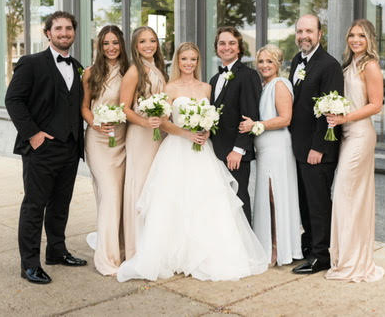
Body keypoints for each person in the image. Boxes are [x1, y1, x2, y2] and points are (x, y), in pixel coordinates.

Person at [117, 43, 268, 282]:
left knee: (205, 200)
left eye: (194, 59)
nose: (189, 63)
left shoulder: (207, 87)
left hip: (202, 151)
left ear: (198, 62)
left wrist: (206, 131)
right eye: (185, 59)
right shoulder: (170, 87)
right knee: (175, 200)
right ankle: (173, 253)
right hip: (177, 148)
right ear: (177, 61)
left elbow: (213, 118)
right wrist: (186, 134)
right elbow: (164, 122)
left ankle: (205, 253)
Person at [5, 11, 87, 285]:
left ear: (74, 33)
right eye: (59, 29)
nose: (64, 33)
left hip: (70, 149)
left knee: (60, 205)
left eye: (69, 29)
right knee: (34, 206)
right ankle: (29, 264)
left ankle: (56, 251)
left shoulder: (78, 66)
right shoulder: (31, 63)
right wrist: (33, 134)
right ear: (48, 33)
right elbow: (13, 100)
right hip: (41, 149)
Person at [325, 19, 385, 282]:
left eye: (361, 35)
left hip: (360, 135)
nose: (355, 40)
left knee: (345, 194)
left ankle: (353, 262)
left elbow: (376, 105)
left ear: (369, 38)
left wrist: (344, 118)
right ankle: (347, 256)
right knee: (349, 197)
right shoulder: (349, 65)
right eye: (351, 35)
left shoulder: (369, 65)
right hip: (347, 135)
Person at [288, 14, 344, 275]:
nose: (303, 36)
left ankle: (322, 255)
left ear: (320, 34)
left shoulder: (329, 65)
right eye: (300, 31)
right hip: (299, 147)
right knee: (305, 203)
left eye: (309, 31)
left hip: (317, 150)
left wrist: (318, 147)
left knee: (319, 204)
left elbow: (330, 110)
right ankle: (310, 247)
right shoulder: (297, 61)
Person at [238, 44, 303, 266]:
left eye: (270, 61)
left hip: (277, 148)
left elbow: (285, 118)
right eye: (261, 61)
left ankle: (278, 248)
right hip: (265, 149)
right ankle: (269, 245)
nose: (264, 65)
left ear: (278, 64)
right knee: (267, 197)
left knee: (275, 195)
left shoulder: (280, 84)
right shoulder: (263, 86)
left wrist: (257, 125)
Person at [81, 25, 129, 276]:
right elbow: (85, 107)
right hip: (98, 141)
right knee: (109, 194)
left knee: (119, 197)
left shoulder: (130, 72)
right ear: (99, 47)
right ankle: (107, 257)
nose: (111, 48)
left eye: (115, 43)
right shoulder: (91, 73)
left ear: (122, 44)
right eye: (105, 43)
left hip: (122, 139)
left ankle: (120, 248)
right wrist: (95, 122)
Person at [119, 26, 168, 260]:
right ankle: (135, 247)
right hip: (140, 136)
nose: (148, 45)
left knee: (153, 187)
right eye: (142, 42)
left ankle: (152, 242)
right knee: (139, 187)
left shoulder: (159, 68)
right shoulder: (133, 71)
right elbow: (123, 108)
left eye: (152, 40)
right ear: (135, 46)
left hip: (157, 136)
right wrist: (144, 122)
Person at [209, 26, 262, 223]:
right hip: (217, 152)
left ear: (239, 48)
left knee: (239, 200)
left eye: (232, 43)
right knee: (222, 201)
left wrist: (238, 150)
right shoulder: (214, 80)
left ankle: (247, 250)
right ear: (216, 48)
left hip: (235, 154)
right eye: (222, 43)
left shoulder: (248, 75)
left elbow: (250, 115)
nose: (226, 47)